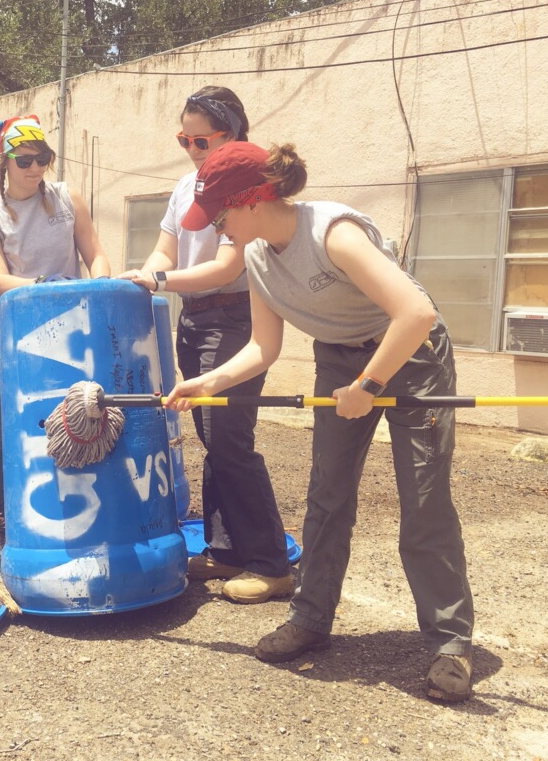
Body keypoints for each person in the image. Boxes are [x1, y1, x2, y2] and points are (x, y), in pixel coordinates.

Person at [166, 141, 475, 702]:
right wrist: (208, 383)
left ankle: (450, 644)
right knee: (327, 496)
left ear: (253, 198)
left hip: (409, 355)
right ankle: (310, 619)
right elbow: (263, 346)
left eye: (219, 216)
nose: (216, 229)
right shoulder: (256, 256)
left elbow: (416, 313)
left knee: (423, 501)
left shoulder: (333, 232)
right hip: (341, 359)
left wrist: (369, 386)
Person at [118, 87, 292, 604]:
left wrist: (160, 282)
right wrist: (138, 277)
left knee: (230, 441)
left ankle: (271, 564)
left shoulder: (249, 186)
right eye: (184, 139)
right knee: (212, 435)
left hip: (237, 317)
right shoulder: (183, 186)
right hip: (193, 317)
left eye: (202, 140)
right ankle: (226, 549)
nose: (193, 149)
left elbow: (227, 267)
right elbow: (162, 250)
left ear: (233, 132)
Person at [0, 114, 111, 544]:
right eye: (25, 160)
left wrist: (100, 286)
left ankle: (80, 511)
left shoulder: (67, 196)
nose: (35, 169)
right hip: (12, 331)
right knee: (4, 430)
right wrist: (42, 287)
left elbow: (96, 254)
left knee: (75, 416)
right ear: (6, 161)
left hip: (70, 327)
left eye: (43, 158)